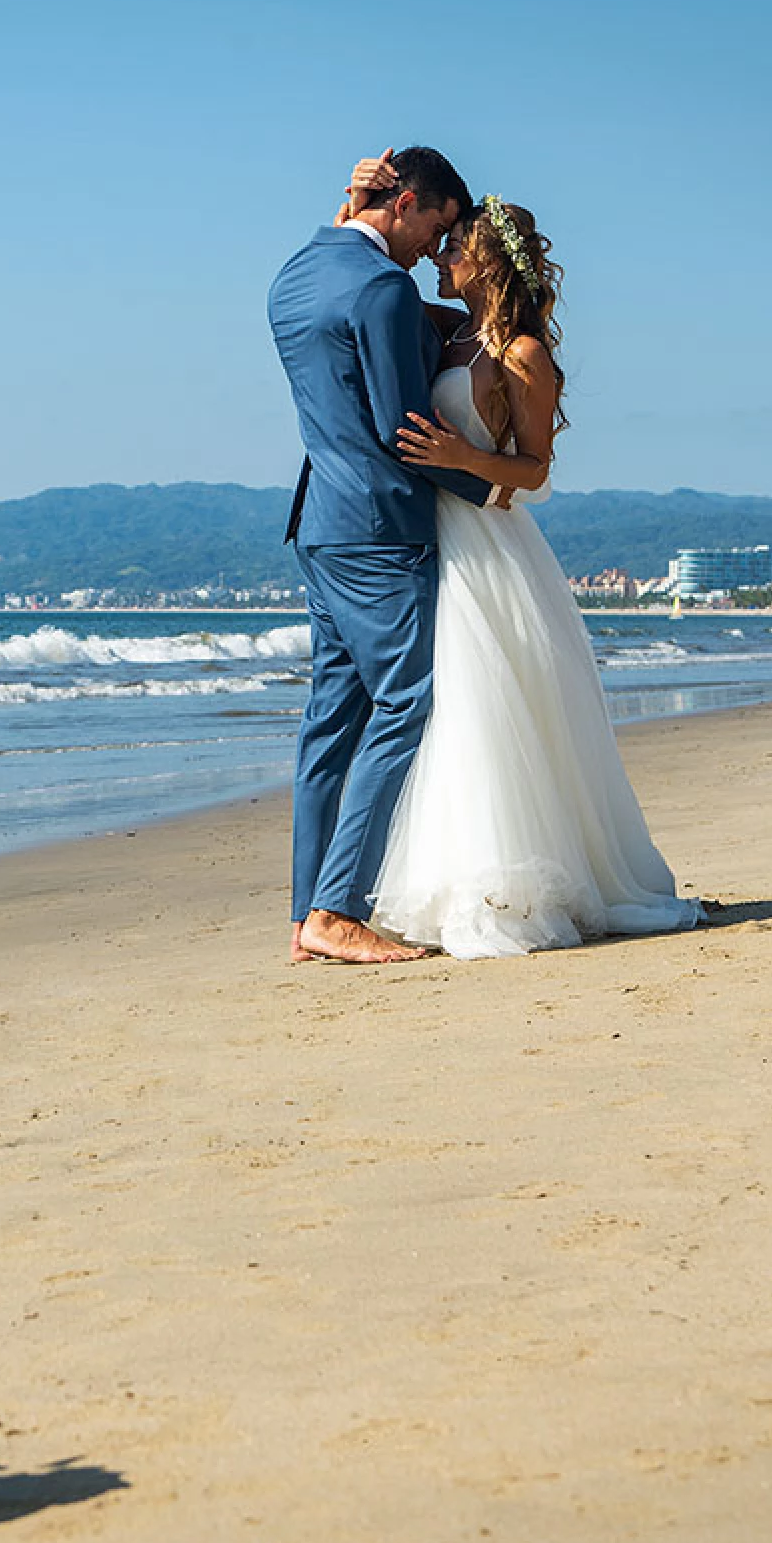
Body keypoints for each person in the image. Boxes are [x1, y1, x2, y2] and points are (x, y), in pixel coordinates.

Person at [341, 157, 701, 956]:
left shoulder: (525, 353)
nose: (437, 258)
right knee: (448, 711)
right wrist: (352, 204)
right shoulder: (443, 327)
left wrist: (463, 459)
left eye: (452, 250)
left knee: (479, 705)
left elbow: (534, 473)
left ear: (487, 261)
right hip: (433, 537)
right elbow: (360, 279)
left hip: (490, 546)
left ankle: (506, 885)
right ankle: (453, 875)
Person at [266, 146, 499, 964]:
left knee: (331, 725)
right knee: (405, 704)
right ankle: (336, 911)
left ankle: (307, 917)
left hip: (319, 525)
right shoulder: (383, 289)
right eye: (432, 228)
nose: (430, 251)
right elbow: (409, 431)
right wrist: (498, 494)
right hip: (378, 528)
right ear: (405, 203)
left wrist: (351, 201)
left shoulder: (298, 272)